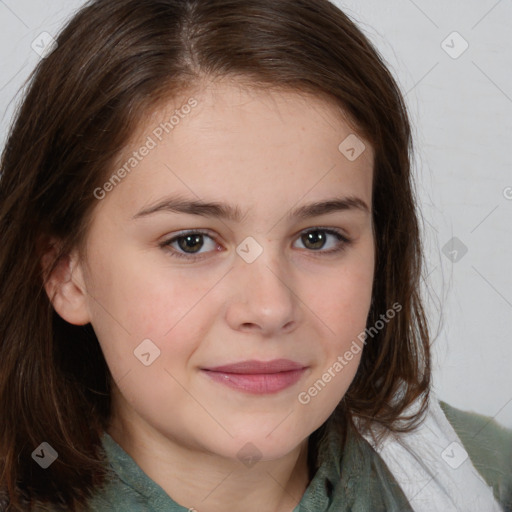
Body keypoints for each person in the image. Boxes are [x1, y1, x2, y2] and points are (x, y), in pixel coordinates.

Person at [0, 0, 510, 511]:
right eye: (191, 242)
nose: (270, 308)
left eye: (318, 237)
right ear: (65, 271)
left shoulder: (486, 473)